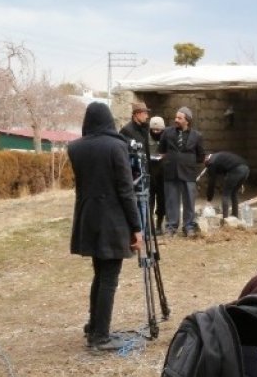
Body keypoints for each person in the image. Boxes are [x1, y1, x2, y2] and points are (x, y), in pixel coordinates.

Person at [68, 103, 143, 352]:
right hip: (112, 220)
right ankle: (100, 336)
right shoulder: (117, 146)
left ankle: (94, 326)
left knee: (100, 274)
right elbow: (125, 189)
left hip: (89, 216)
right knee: (109, 277)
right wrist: (137, 226)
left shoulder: (75, 148)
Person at [156, 106, 204, 236]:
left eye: (179, 118)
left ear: (187, 120)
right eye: (176, 117)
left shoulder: (197, 136)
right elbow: (161, 150)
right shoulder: (167, 133)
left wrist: (187, 161)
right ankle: (171, 226)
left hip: (188, 173)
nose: (176, 119)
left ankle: (189, 226)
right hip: (171, 171)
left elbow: (201, 156)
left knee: (189, 200)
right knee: (171, 200)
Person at [203, 151, 249, 219]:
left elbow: (211, 183)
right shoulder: (219, 157)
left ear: (206, 159)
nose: (205, 165)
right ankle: (235, 216)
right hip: (246, 169)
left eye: (204, 163)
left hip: (237, 170)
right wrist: (240, 183)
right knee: (234, 193)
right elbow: (226, 171)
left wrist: (209, 199)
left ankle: (225, 219)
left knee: (225, 194)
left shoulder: (211, 163)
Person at [147, 116, 165, 230]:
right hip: (149, 173)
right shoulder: (146, 138)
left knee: (162, 201)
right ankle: (149, 225)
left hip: (163, 174)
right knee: (149, 200)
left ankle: (159, 225)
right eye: (153, 130)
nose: (155, 132)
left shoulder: (166, 138)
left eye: (158, 130)